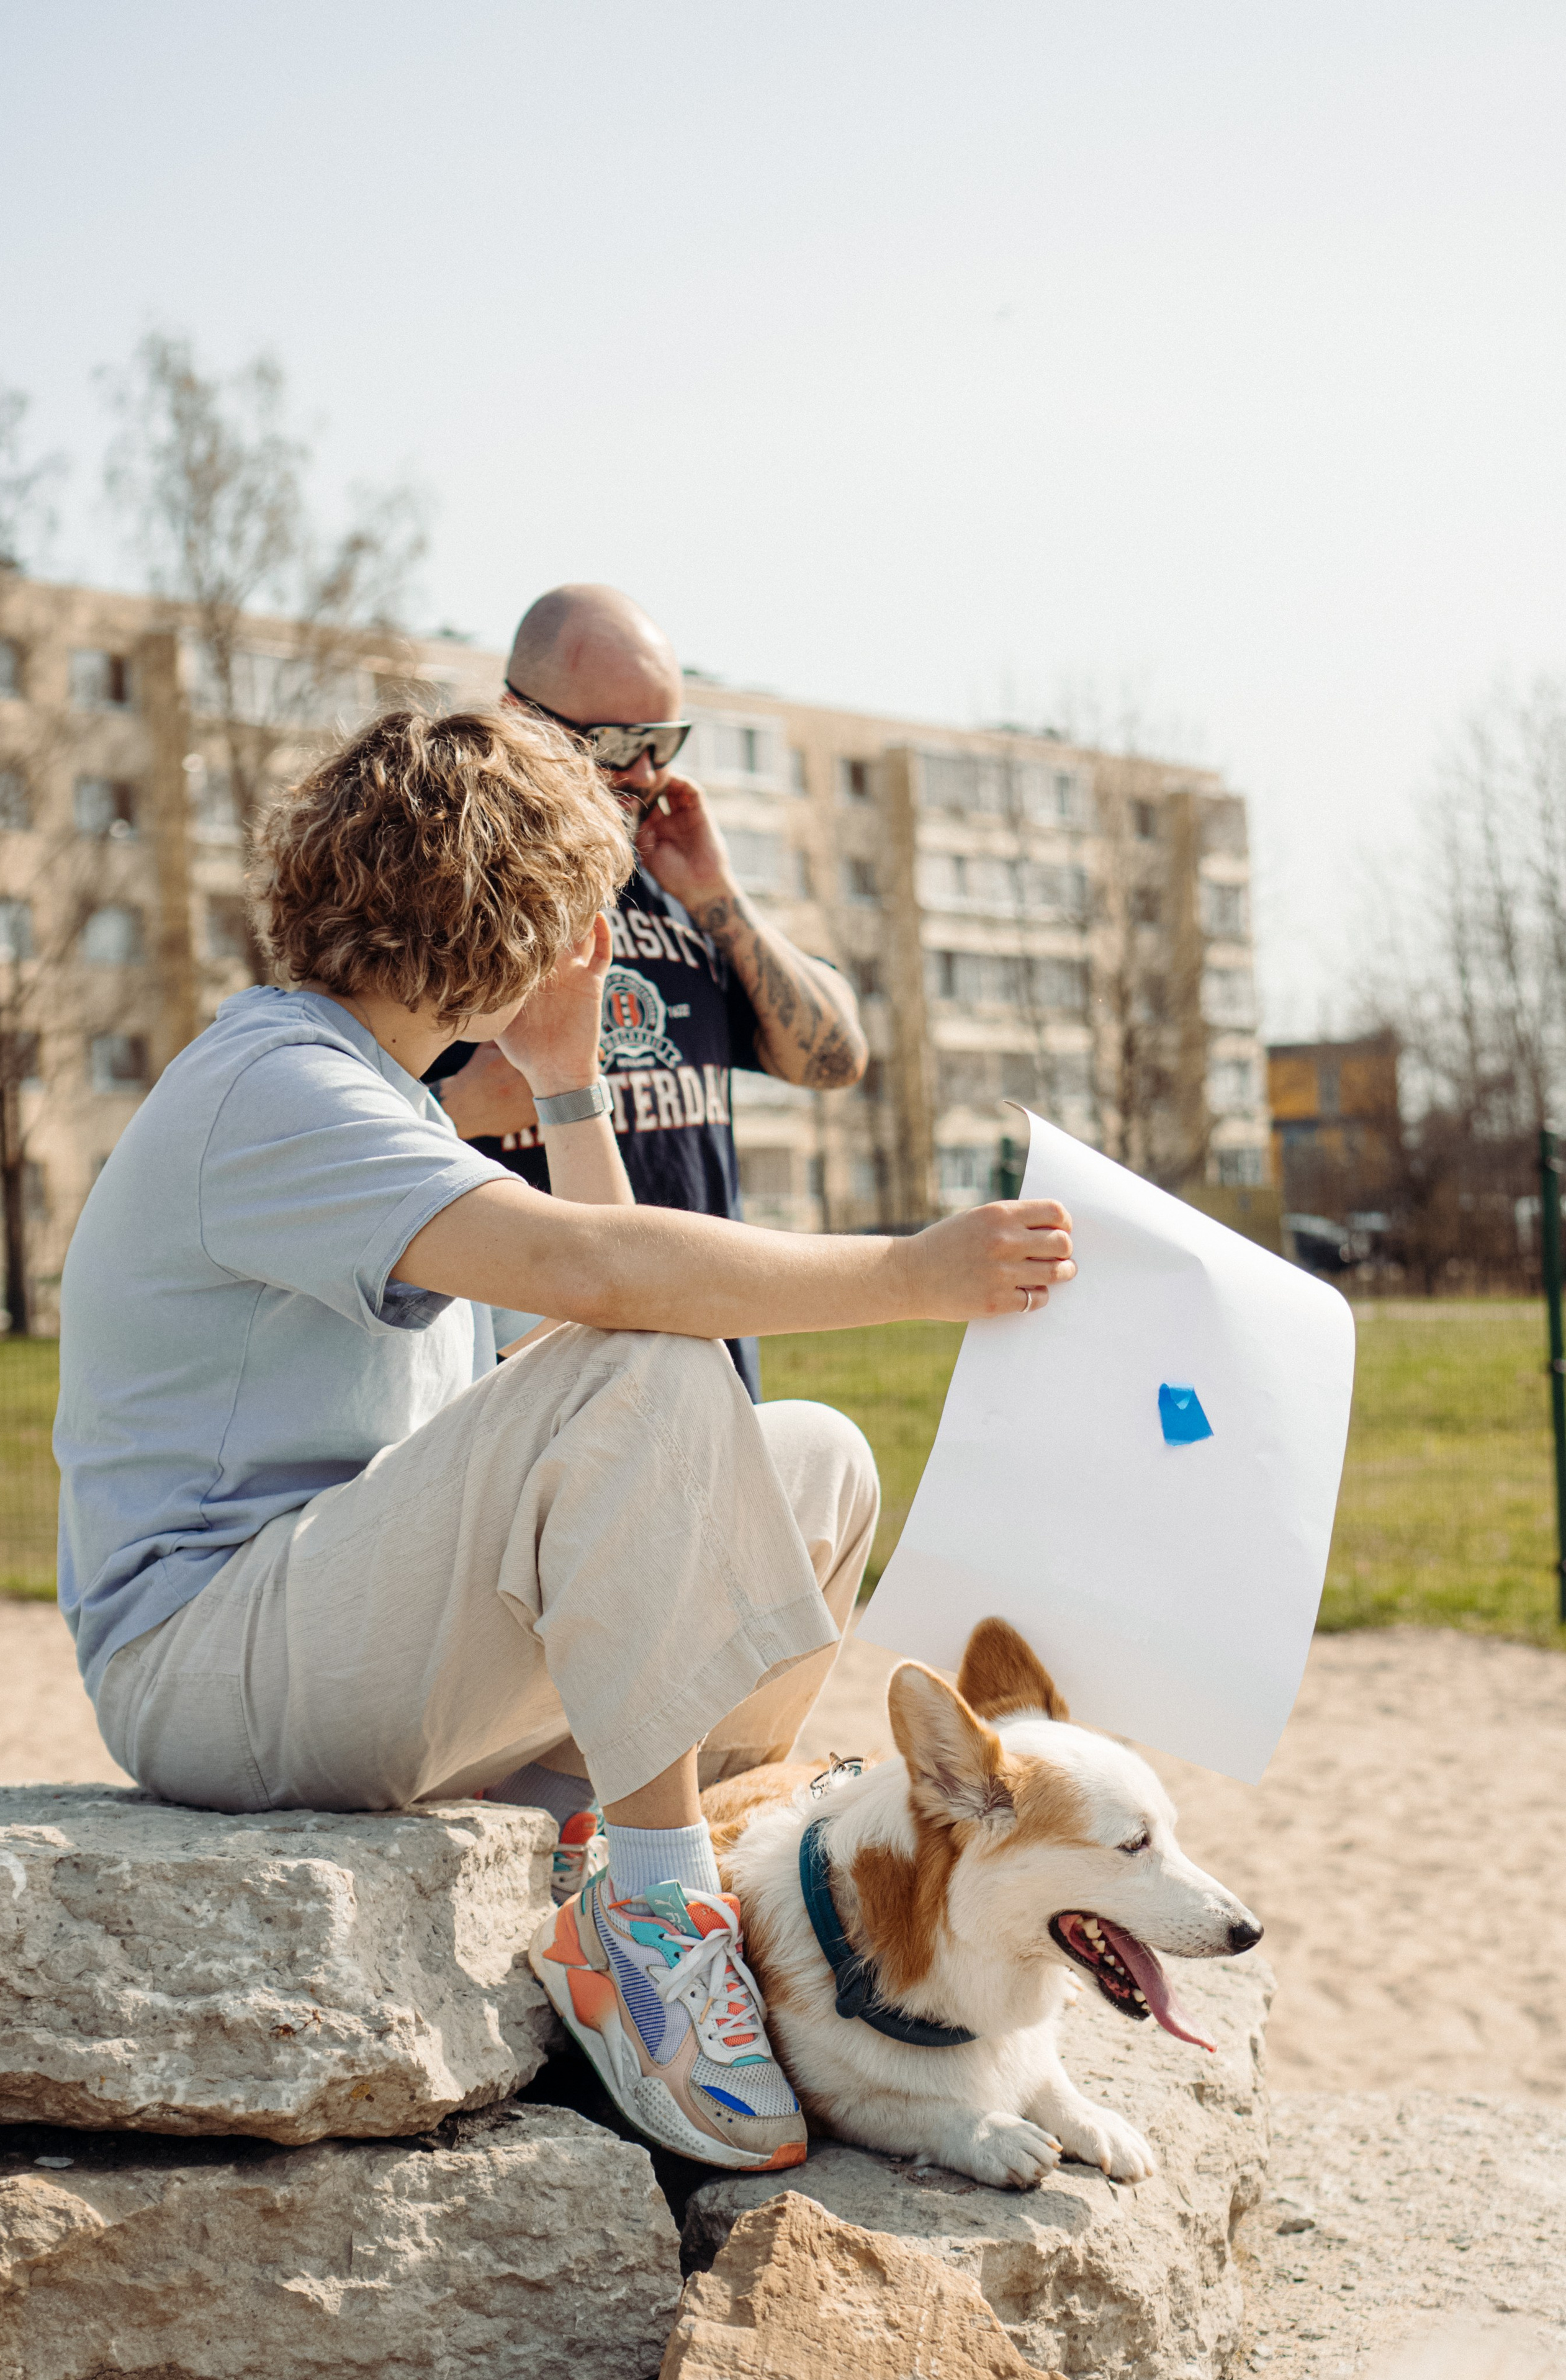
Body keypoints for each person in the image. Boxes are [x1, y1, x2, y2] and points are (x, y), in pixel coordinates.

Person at [54, 706, 1076, 2176]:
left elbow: (588, 1362)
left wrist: (566, 1086)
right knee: (642, 1352)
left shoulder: (375, 1100)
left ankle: (678, 1837)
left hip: (336, 1645)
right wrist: (914, 1273)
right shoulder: (271, 1088)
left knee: (814, 1463)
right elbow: (603, 1291)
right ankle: (651, 1919)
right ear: (514, 922)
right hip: (208, 1665)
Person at [426, 583, 867, 1397]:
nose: (644, 772)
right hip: (530, 1401)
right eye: (616, 742)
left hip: (710, 1380)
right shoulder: (448, 894)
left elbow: (835, 1060)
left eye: (664, 742)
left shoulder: (677, 883)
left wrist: (717, 893)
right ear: (518, 717)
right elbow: (325, 1133)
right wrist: (459, 1109)